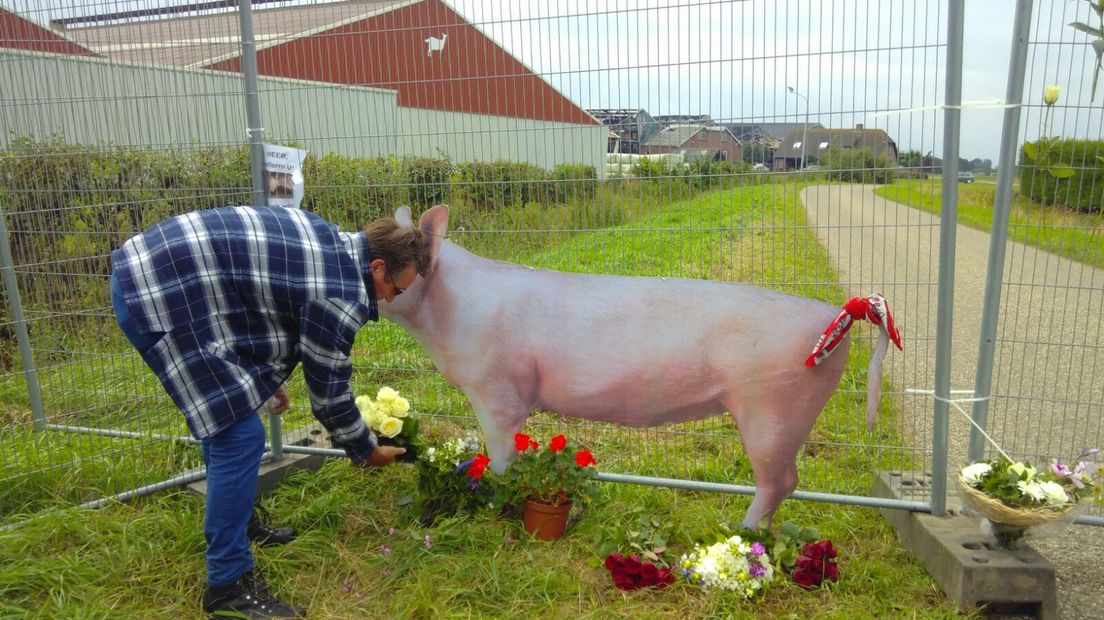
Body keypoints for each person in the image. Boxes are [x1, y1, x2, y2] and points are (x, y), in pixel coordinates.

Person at [109, 205, 429, 618]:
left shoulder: (332, 241)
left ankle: (237, 525)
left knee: (231, 416)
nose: (389, 299)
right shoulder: (340, 292)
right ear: (378, 266)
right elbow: (329, 394)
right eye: (395, 289)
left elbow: (260, 305)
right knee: (238, 436)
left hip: (165, 275)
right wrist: (366, 451)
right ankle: (227, 584)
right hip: (158, 290)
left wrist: (263, 382)